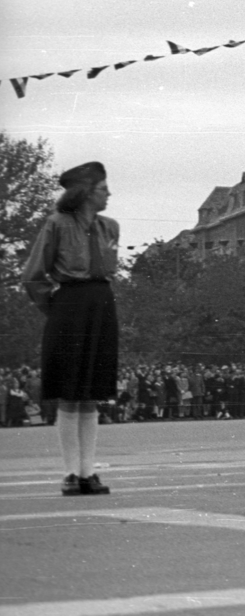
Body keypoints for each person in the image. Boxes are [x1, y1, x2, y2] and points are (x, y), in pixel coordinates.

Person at [19, 161, 120, 495]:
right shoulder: (56, 224)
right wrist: (58, 308)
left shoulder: (110, 227)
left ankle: (89, 472)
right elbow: (34, 275)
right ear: (86, 192)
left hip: (101, 304)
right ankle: (71, 474)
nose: (108, 193)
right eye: (103, 188)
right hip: (70, 304)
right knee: (69, 391)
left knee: (91, 392)